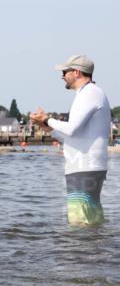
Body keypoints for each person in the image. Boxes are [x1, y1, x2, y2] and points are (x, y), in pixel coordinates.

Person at [31, 54, 111, 226]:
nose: (62, 76)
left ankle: (84, 253)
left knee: (81, 223)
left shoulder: (90, 93)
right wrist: (48, 128)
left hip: (85, 167)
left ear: (76, 72)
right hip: (85, 165)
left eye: (65, 72)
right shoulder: (89, 93)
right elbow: (74, 136)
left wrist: (47, 119)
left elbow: (72, 128)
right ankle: (97, 251)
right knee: (90, 221)